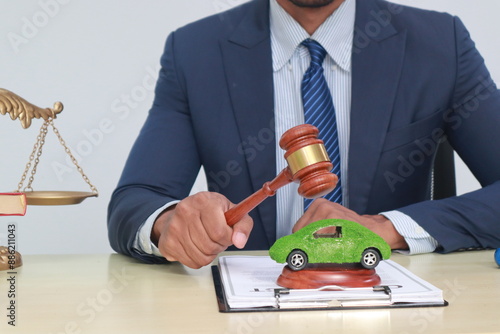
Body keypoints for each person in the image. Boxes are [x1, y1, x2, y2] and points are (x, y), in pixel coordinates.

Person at [107, 0, 500, 268]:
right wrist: (171, 221)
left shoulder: (439, 44)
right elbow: (135, 202)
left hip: (393, 307)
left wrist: (389, 227)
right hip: (254, 312)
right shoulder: (196, 52)